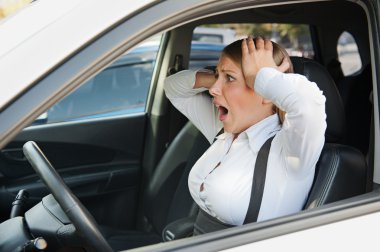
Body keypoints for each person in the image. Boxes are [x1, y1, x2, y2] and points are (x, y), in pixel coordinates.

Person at [164, 36, 326, 230]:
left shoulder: (291, 151)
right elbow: (173, 87)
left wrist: (265, 77)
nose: (214, 90)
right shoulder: (224, 131)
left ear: (265, 92)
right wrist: (219, 79)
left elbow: (309, 103)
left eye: (230, 78)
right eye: (218, 76)